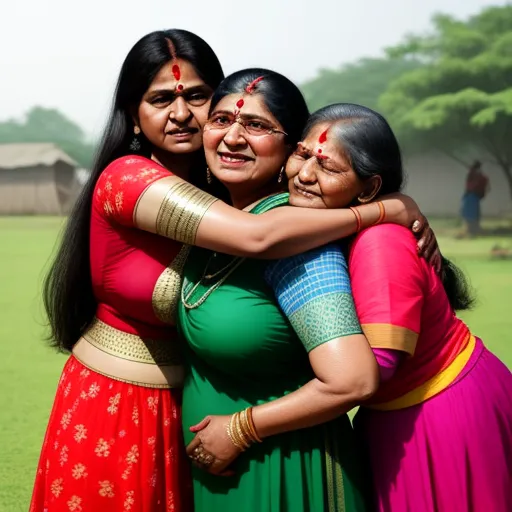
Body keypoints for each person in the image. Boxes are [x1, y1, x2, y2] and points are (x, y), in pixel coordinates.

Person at [30, 31, 425, 512]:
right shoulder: (130, 179)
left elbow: (350, 377)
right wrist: (386, 209)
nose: (181, 115)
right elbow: (254, 237)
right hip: (117, 407)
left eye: (197, 97)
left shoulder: (291, 232)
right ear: (133, 114)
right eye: (160, 100)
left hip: (227, 437)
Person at [178, 70, 438, 511]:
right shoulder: (224, 220)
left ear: (287, 146)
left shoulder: (298, 245)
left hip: (288, 472)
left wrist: (240, 429)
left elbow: (352, 380)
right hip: (227, 475)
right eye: (221, 120)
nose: (233, 138)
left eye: (257, 126)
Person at [284, 103, 512, 512]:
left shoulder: (380, 243)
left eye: (327, 167)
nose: (304, 174)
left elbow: (376, 365)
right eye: (301, 153)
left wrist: (251, 415)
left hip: (440, 413)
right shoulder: (328, 222)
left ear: (369, 189)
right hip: (403, 410)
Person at [460, 160, 489, 236]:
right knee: (471, 213)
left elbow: (477, 184)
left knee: (472, 213)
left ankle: (473, 229)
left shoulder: (477, 175)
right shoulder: (474, 174)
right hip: (471, 195)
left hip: (473, 196)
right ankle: (471, 229)